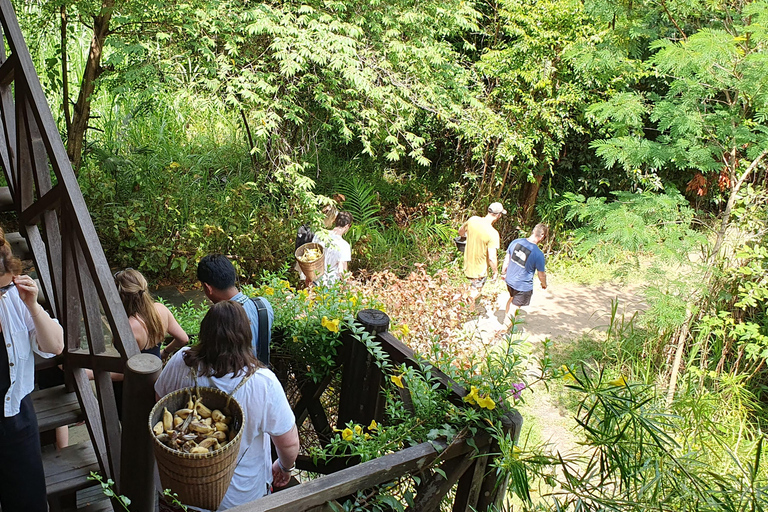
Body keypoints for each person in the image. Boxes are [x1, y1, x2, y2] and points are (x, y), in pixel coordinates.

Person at [155, 301, 299, 510]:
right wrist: (285, 467)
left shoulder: (181, 360)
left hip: (177, 491)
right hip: (239, 500)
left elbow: (158, 402)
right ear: (245, 337)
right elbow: (289, 444)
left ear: (204, 333)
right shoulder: (263, 383)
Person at [0, 228, 64, 511]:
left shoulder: (13, 296)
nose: (3, 294)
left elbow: (54, 346)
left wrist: (33, 306)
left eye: (4, 287)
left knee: (29, 503)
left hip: (16, 417)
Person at [197, 254, 274, 364]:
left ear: (208, 288)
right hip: (262, 375)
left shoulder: (218, 319)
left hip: (235, 378)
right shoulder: (263, 305)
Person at [114, 268, 189, 360]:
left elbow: (128, 368)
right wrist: (165, 352)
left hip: (140, 373)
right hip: (157, 370)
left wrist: (92, 373)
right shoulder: (161, 309)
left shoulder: (129, 328)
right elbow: (183, 339)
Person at [501, 223, 549, 329]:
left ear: (533, 231)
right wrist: (544, 284)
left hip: (510, 280)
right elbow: (541, 274)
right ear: (541, 236)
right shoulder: (538, 254)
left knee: (512, 299)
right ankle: (503, 330)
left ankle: (505, 321)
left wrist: (503, 272)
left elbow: (507, 259)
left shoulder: (516, 242)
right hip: (522, 286)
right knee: (514, 307)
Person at [458, 202, 506, 305]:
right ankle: (468, 313)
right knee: (474, 293)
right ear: (498, 215)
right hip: (480, 270)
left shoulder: (473, 220)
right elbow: (492, 258)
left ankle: (465, 308)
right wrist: (495, 272)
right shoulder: (493, 233)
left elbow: (460, 232)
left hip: (467, 265)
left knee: (471, 289)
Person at [310, 211, 353, 286]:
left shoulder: (319, 235)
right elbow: (341, 271)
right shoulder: (344, 245)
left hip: (315, 281)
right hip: (330, 284)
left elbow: (310, 258)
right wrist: (349, 285)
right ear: (347, 226)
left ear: (335, 220)